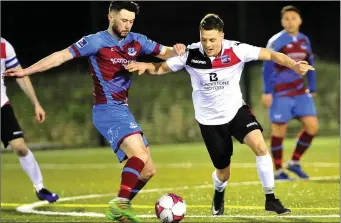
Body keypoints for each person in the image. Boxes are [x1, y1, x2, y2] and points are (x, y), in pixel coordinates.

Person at [4, 1, 185, 222]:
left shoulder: (138, 41)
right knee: (139, 155)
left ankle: (120, 208)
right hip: (106, 109)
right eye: (124, 20)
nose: (128, 25)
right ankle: (119, 205)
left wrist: (179, 51)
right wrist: (27, 70)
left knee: (148, 170)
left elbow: (166, 53)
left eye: (131, 21)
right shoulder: (95, 41)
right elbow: (61, 56)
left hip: (123, 110)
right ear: (110, 17)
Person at [125, 13, 314, 216]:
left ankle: (271, 199)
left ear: (222, 35)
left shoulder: (238, 50)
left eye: (213, 39)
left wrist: (294, 65)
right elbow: (162, 67)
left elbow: (272, 55)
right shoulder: (190, 54)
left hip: (236, 111)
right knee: (223, 173)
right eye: (204, 39)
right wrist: (146, 66)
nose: (208, 44)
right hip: (209, 121)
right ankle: (219, 191)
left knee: (260, 147)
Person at [261, 5, 318, 180]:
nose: (290, 21)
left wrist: (312, 87)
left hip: (300, 91)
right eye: (286, 18)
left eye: (293, 18)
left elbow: (310, 62)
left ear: (300, 20)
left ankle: (294, 162)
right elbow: (267, 66)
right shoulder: (276, 41)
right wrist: (267, 92)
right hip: (281, 92)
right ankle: (278, 170)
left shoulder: (304, 40)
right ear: (282, 21)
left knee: (312, 127)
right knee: (279, 131)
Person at [1, 37, 59, 203]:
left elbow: (21, 75)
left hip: (1, 106)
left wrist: (36, 103)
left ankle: (40, 187)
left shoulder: (4, 46)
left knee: (20, 147)